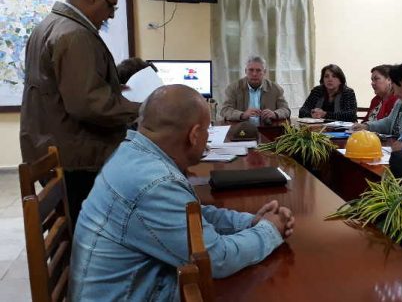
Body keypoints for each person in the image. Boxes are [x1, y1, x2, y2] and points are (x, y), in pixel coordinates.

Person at [69, 84, 295, 301]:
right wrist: (270, 229)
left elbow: (191, 214)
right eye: (207, 131)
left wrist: (250, 221)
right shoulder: (156, 182)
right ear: (194, 135)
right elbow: (215, 259)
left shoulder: (134, 153)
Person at [19, 0, 140, 227]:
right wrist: (148, 109)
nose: (112, 14)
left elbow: (69, 85)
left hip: (54, 150)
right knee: (90, 237)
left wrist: (123, 71)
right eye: (111, 6)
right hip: (78, 160)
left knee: (75, 232)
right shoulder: (75, 34)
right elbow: (88, 104)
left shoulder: (50, 25)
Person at [352, 62, 402, 136]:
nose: (391, 85)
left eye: (393, 82)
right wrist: (366, 126)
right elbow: (389, 122)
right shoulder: (401, 101)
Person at [220, 55, 291, 121]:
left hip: (267, 129)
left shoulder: (275, 89)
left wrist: (275, 114)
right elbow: (225, 110)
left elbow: (286, 110)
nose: (254, 74)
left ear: (264, 72)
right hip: (241, 130)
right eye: (251, 70)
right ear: (245, 71)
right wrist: (242, 115)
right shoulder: (233, 88)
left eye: (258, 70)